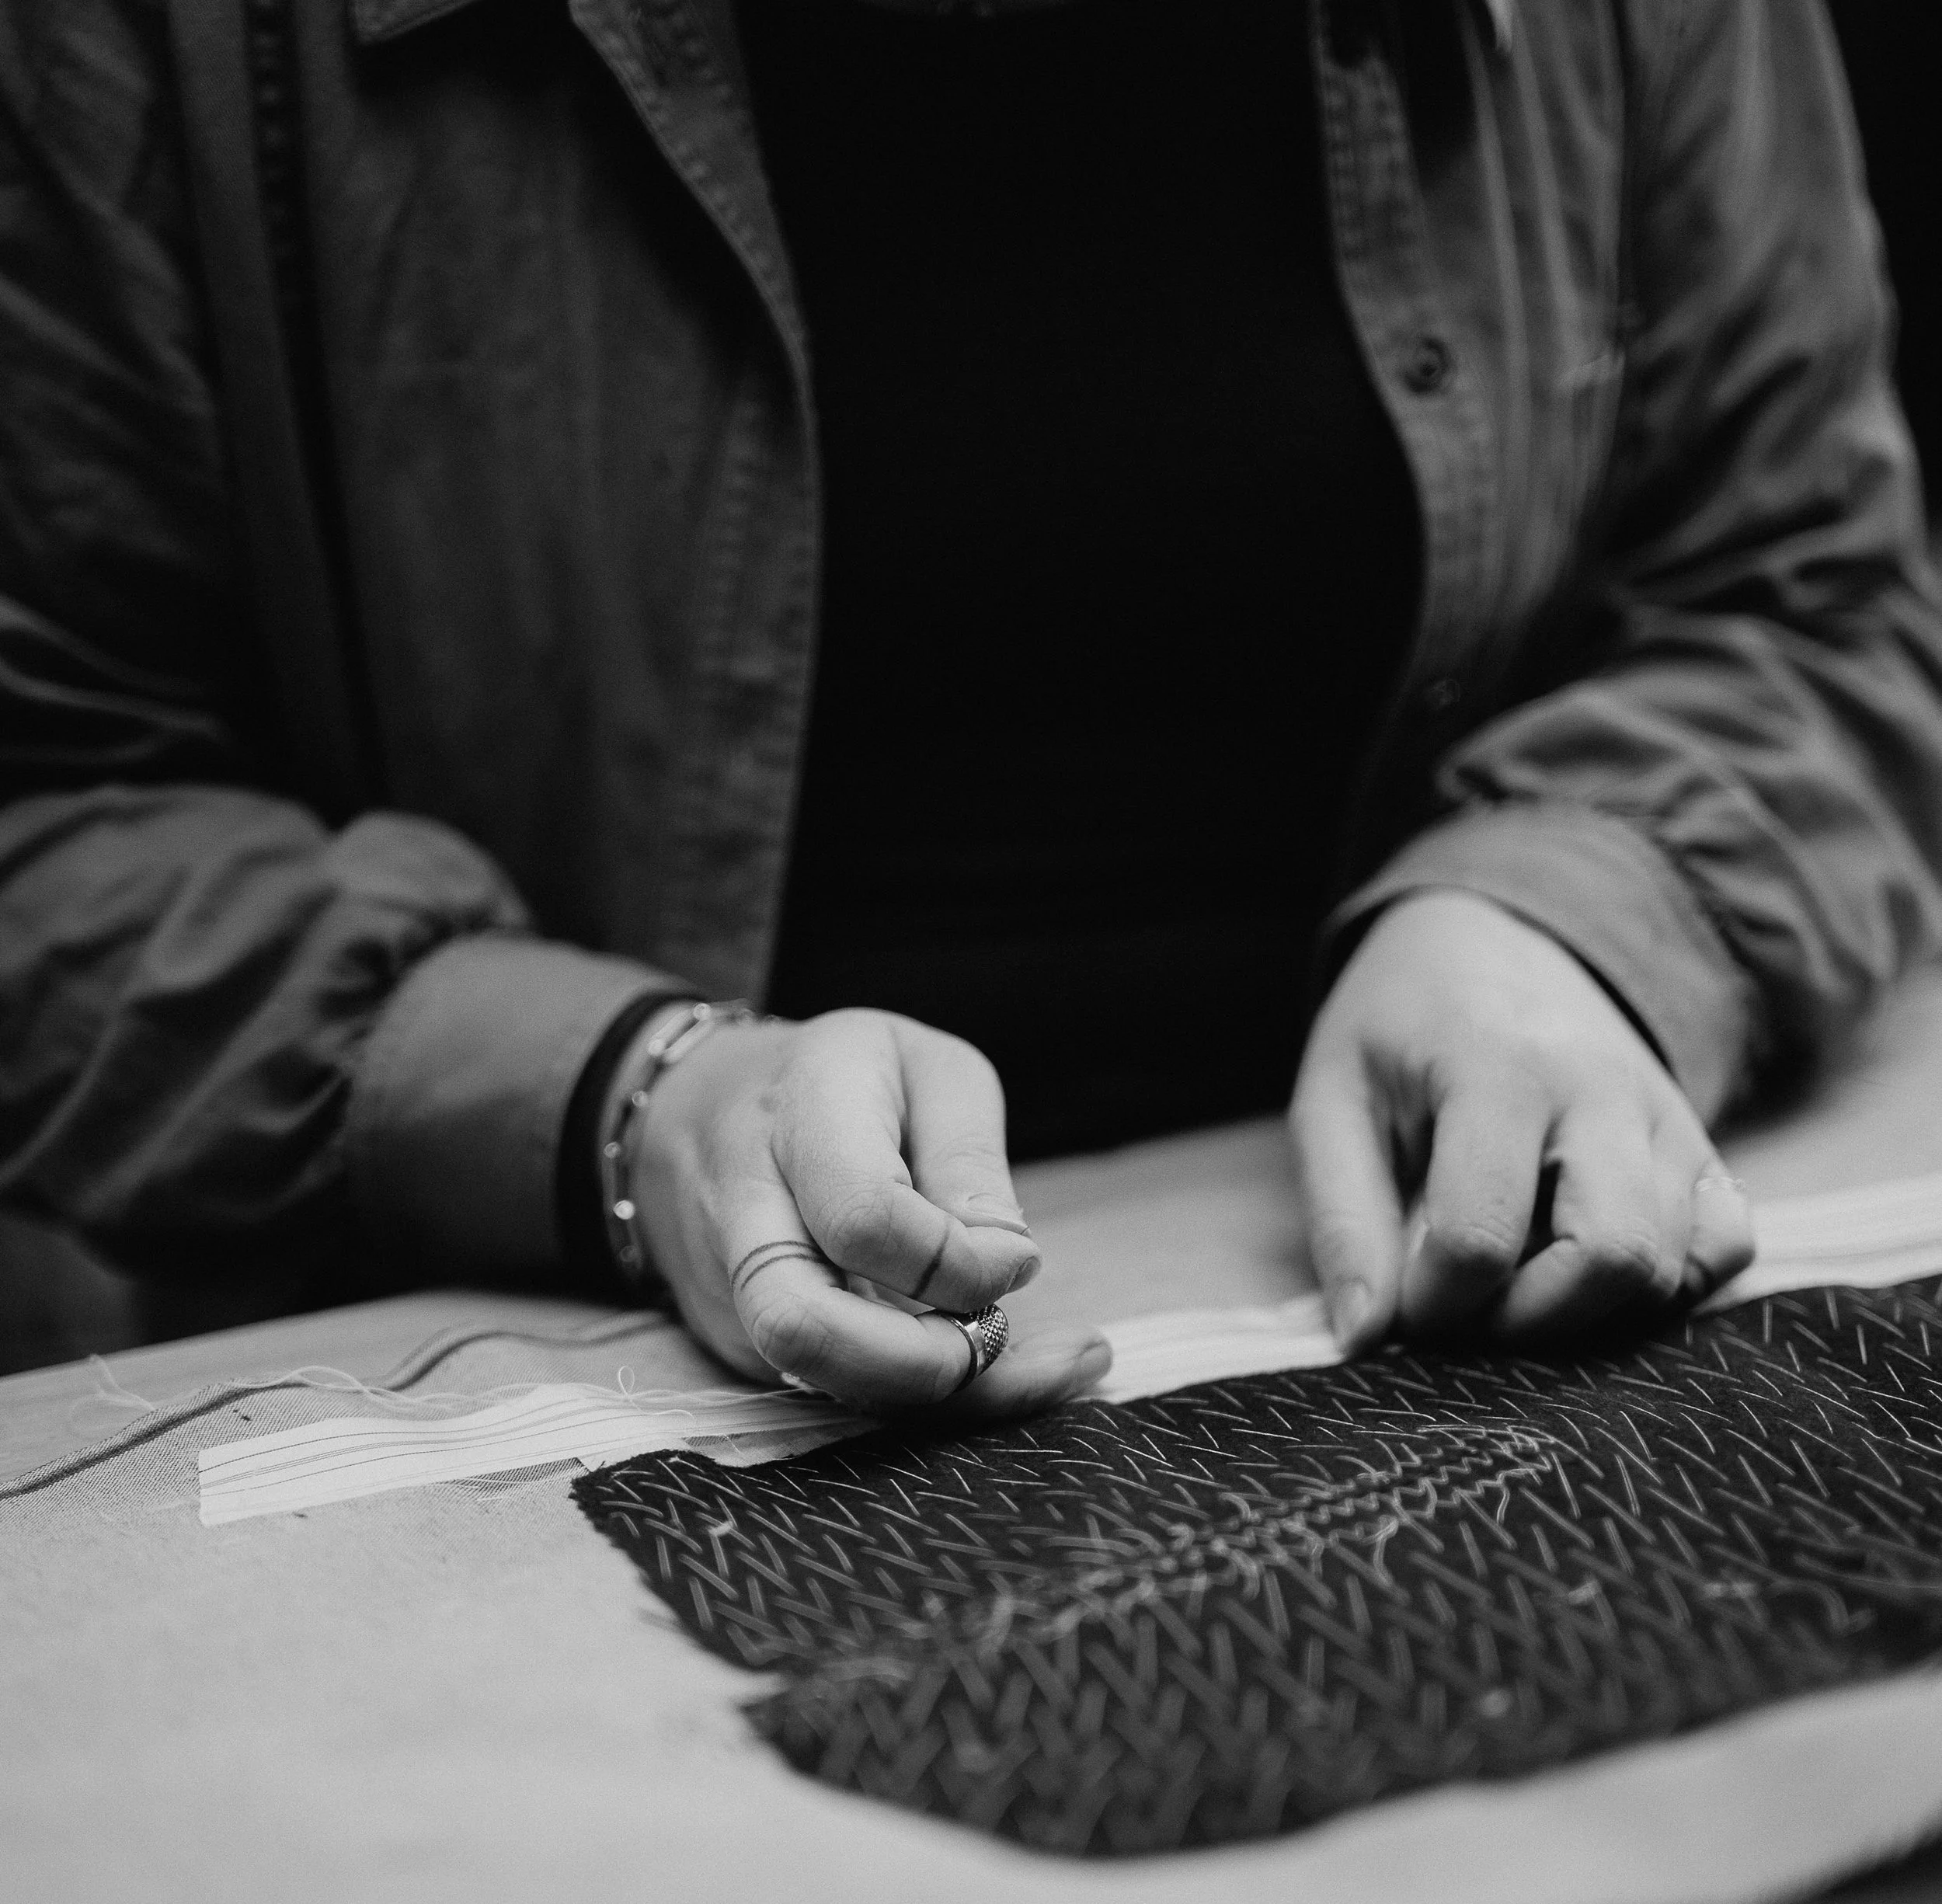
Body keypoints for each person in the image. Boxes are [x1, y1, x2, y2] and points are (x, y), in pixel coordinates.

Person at [2, 0, 1939, 1418]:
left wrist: (1558, 916)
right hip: (542, 1410)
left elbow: (1808, 590)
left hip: (1484, 1327)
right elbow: (53, 813)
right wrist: (619, 1101)